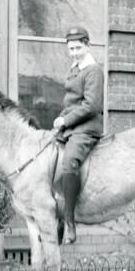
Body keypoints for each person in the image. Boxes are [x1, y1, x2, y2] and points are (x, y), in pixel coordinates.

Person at [53, 26, 104, 244]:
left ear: (87, 45)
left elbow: (91, 106)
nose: (74, 52)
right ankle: (55, 212)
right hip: (72, 126)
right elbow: (71, 102)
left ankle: (70, 221)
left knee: (69, 164)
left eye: (77, 48)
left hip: (86, 128)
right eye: (70, 49)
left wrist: (66, 120)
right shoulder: (75, 69)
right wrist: (60, 120)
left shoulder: (93, 70)